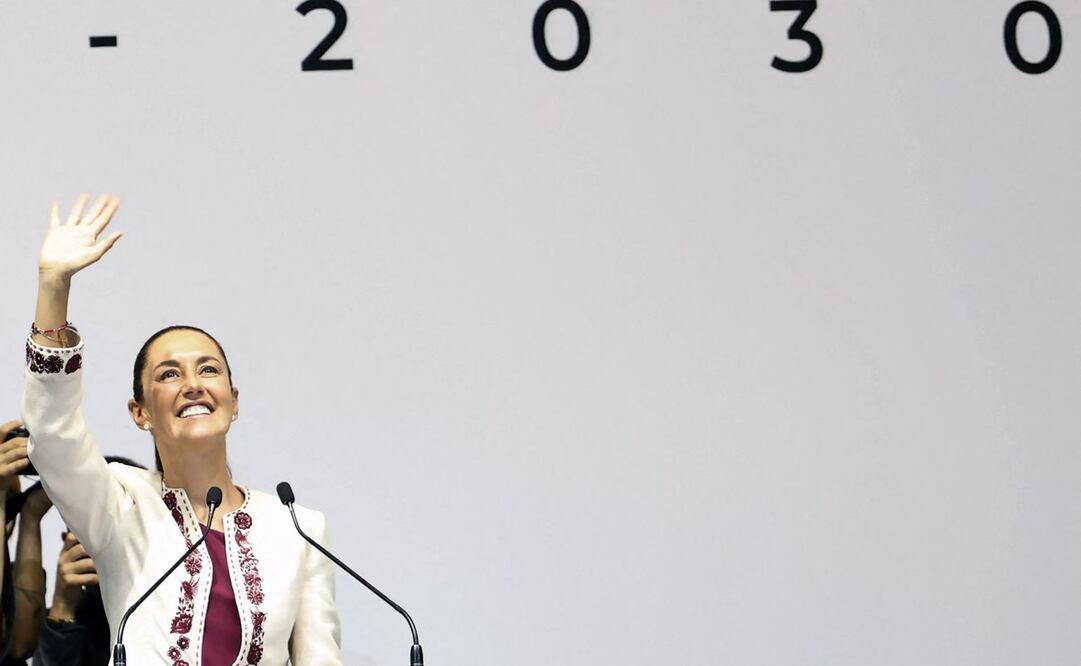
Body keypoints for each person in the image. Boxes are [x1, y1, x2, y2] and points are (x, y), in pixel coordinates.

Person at [22, 195, 342, 664]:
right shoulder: (120, 503)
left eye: (208, 370)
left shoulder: (298, 528)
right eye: (169, 374)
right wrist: (54, 285)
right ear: (140, 413)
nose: (192, 385)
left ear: (234, 401)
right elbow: (53, 436)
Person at [35, 455, 146, 666]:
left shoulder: (177, 601)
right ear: (70, 541)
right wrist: (63, 606)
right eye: (94, 533)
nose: (107, 547)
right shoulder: (71, 621)